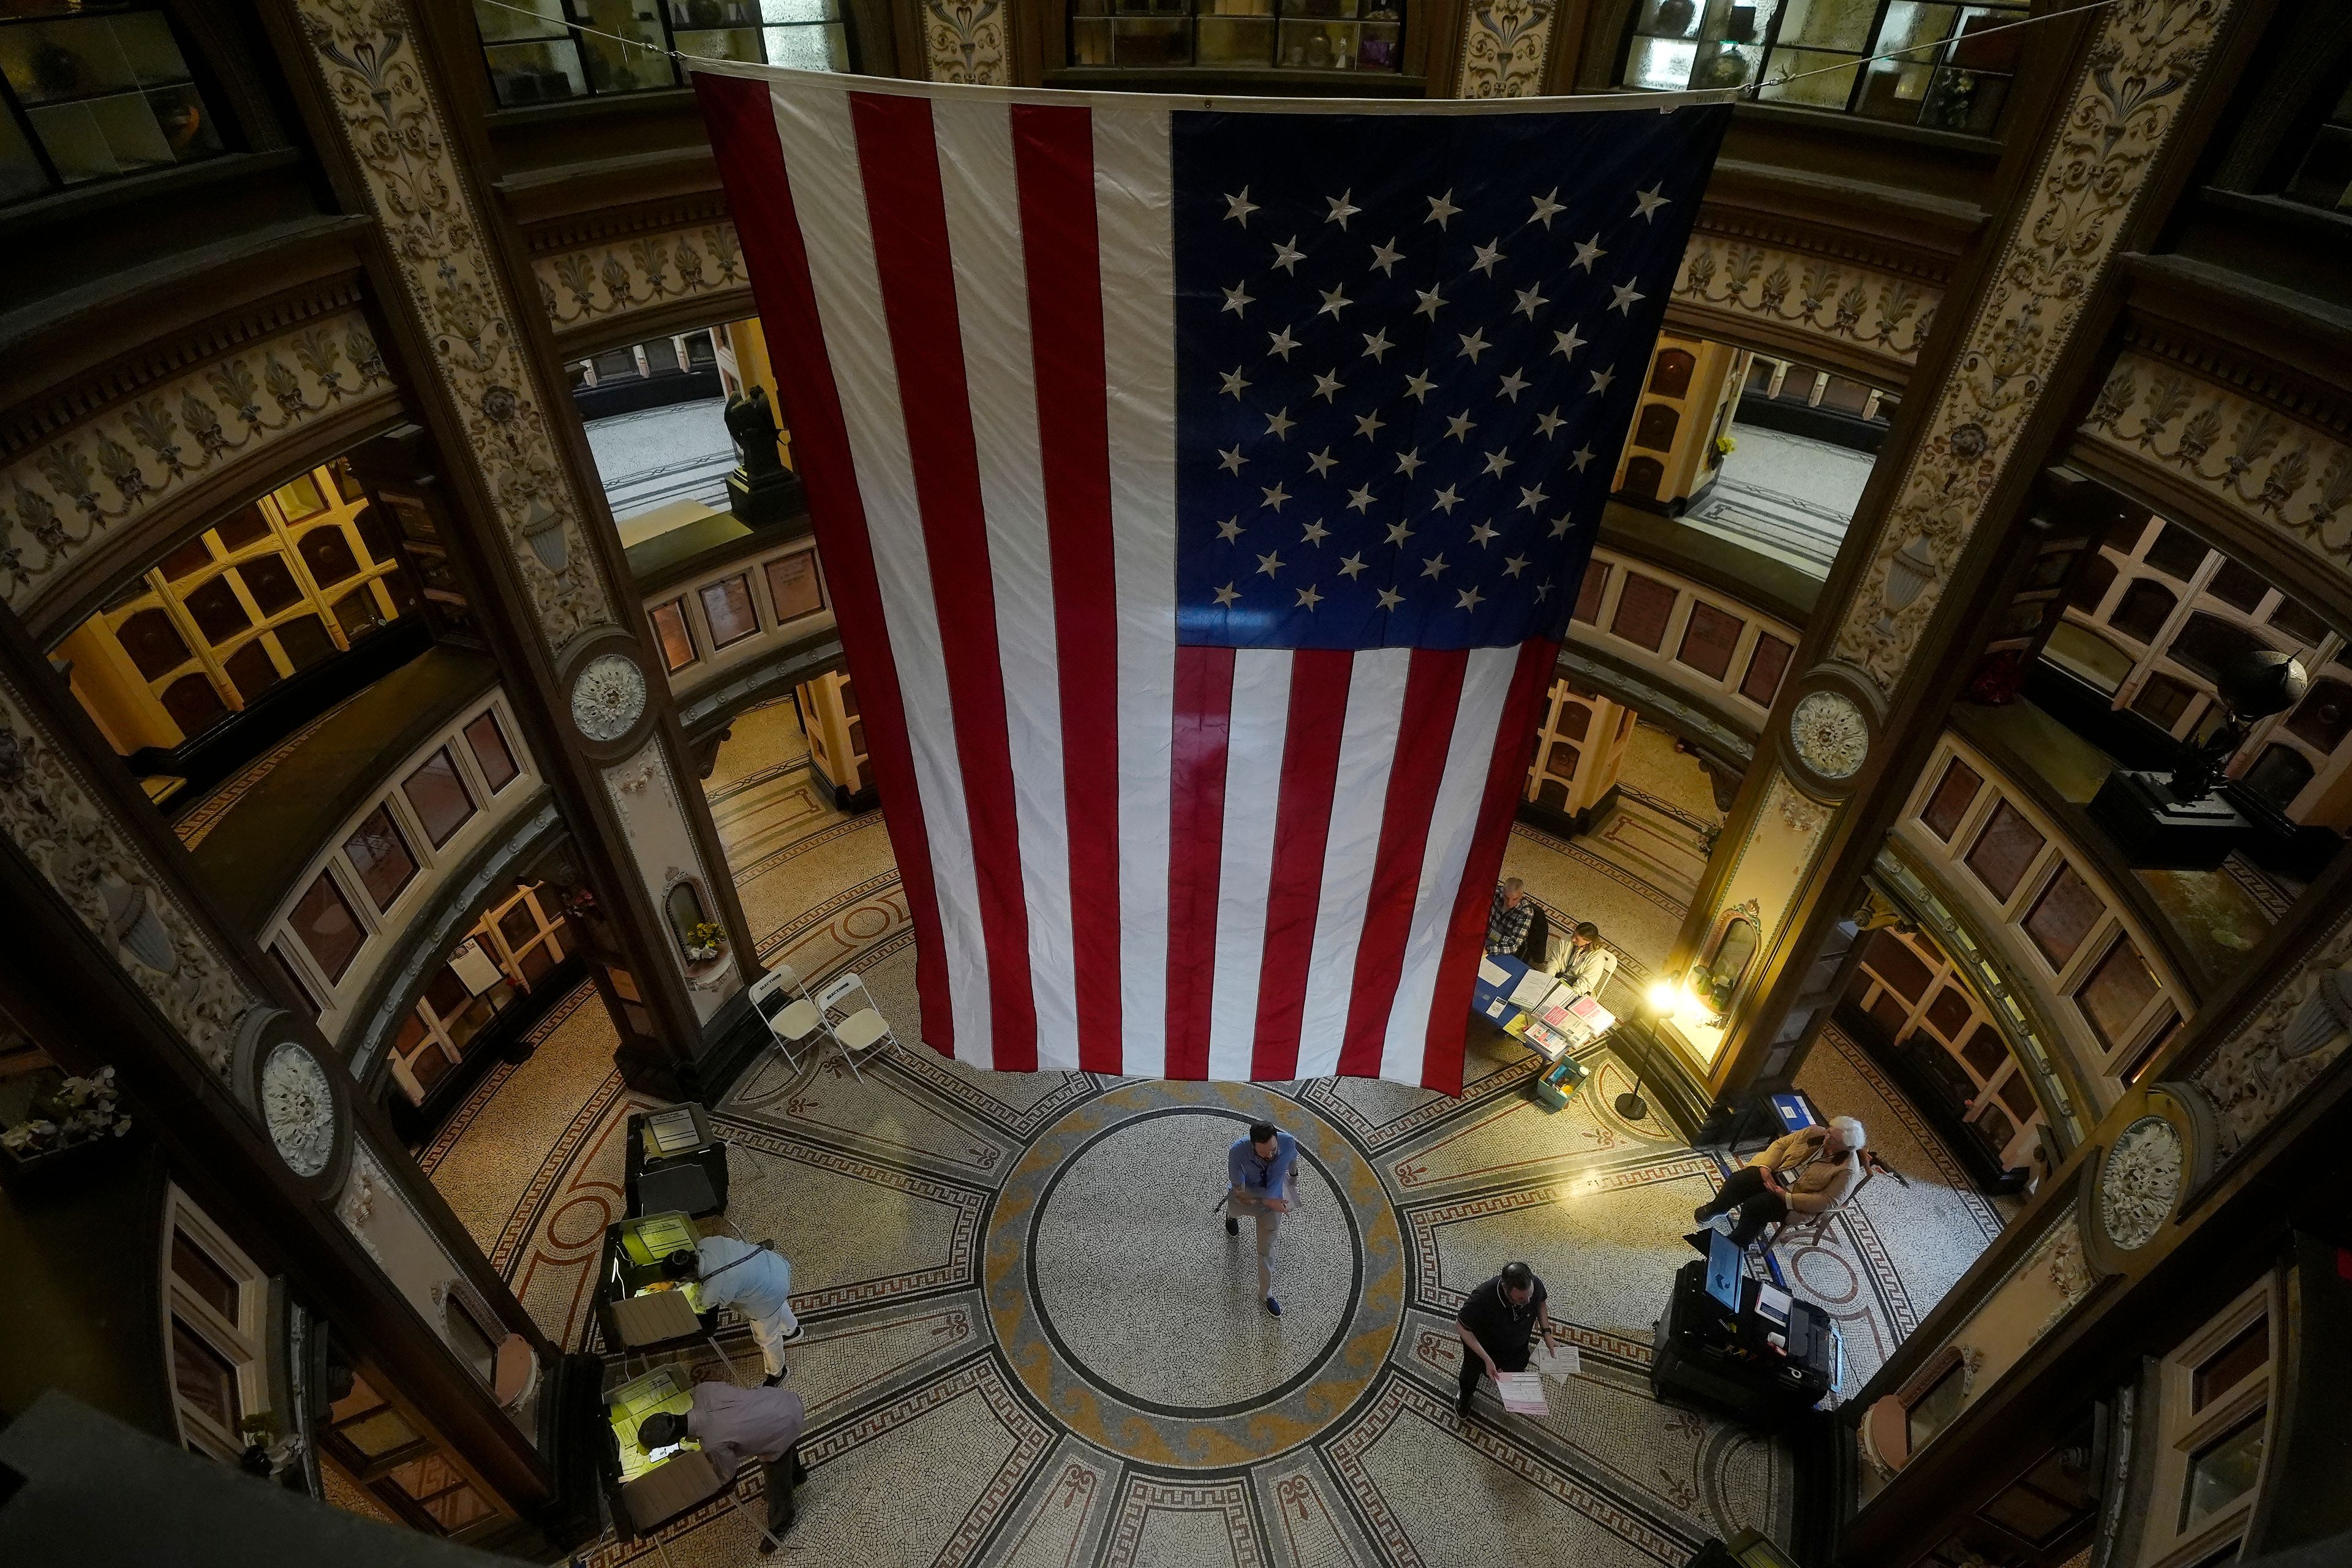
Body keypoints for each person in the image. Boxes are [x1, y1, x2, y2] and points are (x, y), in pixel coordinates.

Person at [638, 1379, 807, 1553]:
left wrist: (691, 1461)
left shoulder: (713, 1445)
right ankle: (796, 1475)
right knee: (782, 1448)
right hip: (779, 1401)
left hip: (782, 1425)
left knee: (775, 1477)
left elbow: (727, 1476)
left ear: (672, 1441)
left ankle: (782, 1520)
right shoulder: (703, 1391)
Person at [1692, 1115, 1868, 1248]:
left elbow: (1828, 1201)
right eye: (1829, 1131)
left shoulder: (1848, 1170)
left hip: (1796, 1198)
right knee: (1739, 1181)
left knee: (1755, 1207)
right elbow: (1781, 1145)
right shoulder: (1815, 1133)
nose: (1826, 1137)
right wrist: (1766, 1169)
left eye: (1833, 1139)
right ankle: (1718, 1208)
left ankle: (1739, 1243)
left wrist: (1787, 1197)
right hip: (1777, 1172)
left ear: (1847, 1147)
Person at [663, 1234, 801, 1384]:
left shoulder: (714, 1287)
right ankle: (792, 1330)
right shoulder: (708, 1243)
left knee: (767, 1338)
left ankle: (778, 1373)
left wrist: (677, 1291)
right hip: (774, 1267)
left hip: (767, 1296)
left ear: (684, 1279)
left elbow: (702, 1303)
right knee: (777, 1304)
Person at [1455, 1261, 1557, 1418]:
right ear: (1505, 1289)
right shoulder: (1482, 1298)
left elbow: (1540, 1303)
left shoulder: (1533, 1286)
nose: (1527, 1302)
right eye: (1521, 1299)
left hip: (1516, 1346)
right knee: (1470, 1375)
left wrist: (1547, 1333)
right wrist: (1487, 1360)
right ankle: (1465, 1397)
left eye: (1529, 1296)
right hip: (1485, 1348)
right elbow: (1462, 1326)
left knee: (1516, 1369)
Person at [1225, 1120, 1299, 1317]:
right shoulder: (1238, 1153)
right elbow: (1239, 1192)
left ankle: (1266, 1294)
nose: (1270, 1156)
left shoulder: (1289, 1142)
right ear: (1253, 1146)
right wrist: (1267, 1201)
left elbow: (1292, 1160)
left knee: (1266, 1251)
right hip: (1247, 1200)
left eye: (1274, 1150)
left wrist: (1293, 1179)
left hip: (1272, 1206)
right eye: (1264, 1153)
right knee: (1234, 1211)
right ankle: (1231, 1217)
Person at [1558, 922, 1616, 1000]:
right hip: (1561, 976)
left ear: (1588, 942)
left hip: (1577, 988)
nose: (1573, 939)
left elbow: (1584, 983)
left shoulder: (1597, 959)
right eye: (1574, 935)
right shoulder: (1567, 940)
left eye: (1577, 939)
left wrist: (1567, 996)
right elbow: (1555, 962)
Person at [1487, 878, 1535, 956]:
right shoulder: (1496, 893)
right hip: (1485, 938)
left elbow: (1514, 945)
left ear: (1521, 896)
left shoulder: (1525, 912)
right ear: (1503, 891)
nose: (1509, 903)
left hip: (1503, 949)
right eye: (1507, 897)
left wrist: (1488, 950)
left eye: (1515, 899)